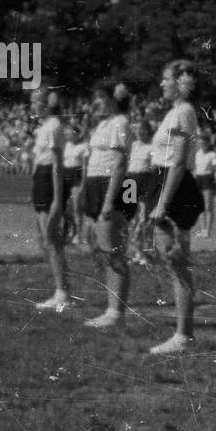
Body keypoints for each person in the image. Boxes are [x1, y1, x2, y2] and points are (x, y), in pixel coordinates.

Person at [147, 61, 206, 355]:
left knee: (177, 260)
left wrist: (163, 203)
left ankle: (184, 334)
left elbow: (179, 161)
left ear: (180, 82)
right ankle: (182, 332)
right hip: (164, 183)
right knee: (172, 261)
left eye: (166, 79)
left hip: (174, 188)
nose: (162, 84)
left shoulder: (183, 112)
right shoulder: (174, 111)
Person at [81, 82, 134, 329]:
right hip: (95, 185)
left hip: (109, 188)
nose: (95, 103)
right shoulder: (103, 124)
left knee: (113, 250)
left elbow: (120, 164)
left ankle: (116, 312)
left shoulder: (120, 123)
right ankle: (111, 308)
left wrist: (109, 201)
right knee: (102, 249)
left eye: (100, 98)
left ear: (112, 100)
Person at [29, 89, 71, 310]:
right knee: (47, 239)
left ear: (45, 104)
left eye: (35, 102)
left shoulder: (53, 126)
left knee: (51, 240)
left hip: (49, 181)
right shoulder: (45, 126)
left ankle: (62, 291)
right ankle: (62, 288)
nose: (32, 106)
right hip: (41, 180)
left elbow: (57, 164)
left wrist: (56, 200)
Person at [126, 118, 155, 265]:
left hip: (145, 181)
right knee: (131, 219)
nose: (140, 133)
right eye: (138, 130)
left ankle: (145, 252)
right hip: (130, 182)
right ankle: (136, 253)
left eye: (143, 130)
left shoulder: (152, 147)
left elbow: (155, 169)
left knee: (143, 220)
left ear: (148, 132)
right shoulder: (133, 145)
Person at [62, 121, 89, 246]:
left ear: (76, 134)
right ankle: (69, 230)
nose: (68, 135)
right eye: (67, 133)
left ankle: (78, 234)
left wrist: (83, 184)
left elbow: (84, 167)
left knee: (77, 206)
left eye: (70, 133)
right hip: (66, 176)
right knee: (66, 208)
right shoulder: (67, 145)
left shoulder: (83, 146)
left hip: (77, 177)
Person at [194, 132, 216, 239]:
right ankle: (203, 230)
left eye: (204, 142)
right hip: (198, 179)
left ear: (208, 143)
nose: (202, 144)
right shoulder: (197, 154)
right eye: (201, 142)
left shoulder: (212, 154)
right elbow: (194, 169)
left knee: (208, 207)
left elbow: (215, 169)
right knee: (200, 207)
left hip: (208, 179)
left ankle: (208, 231)